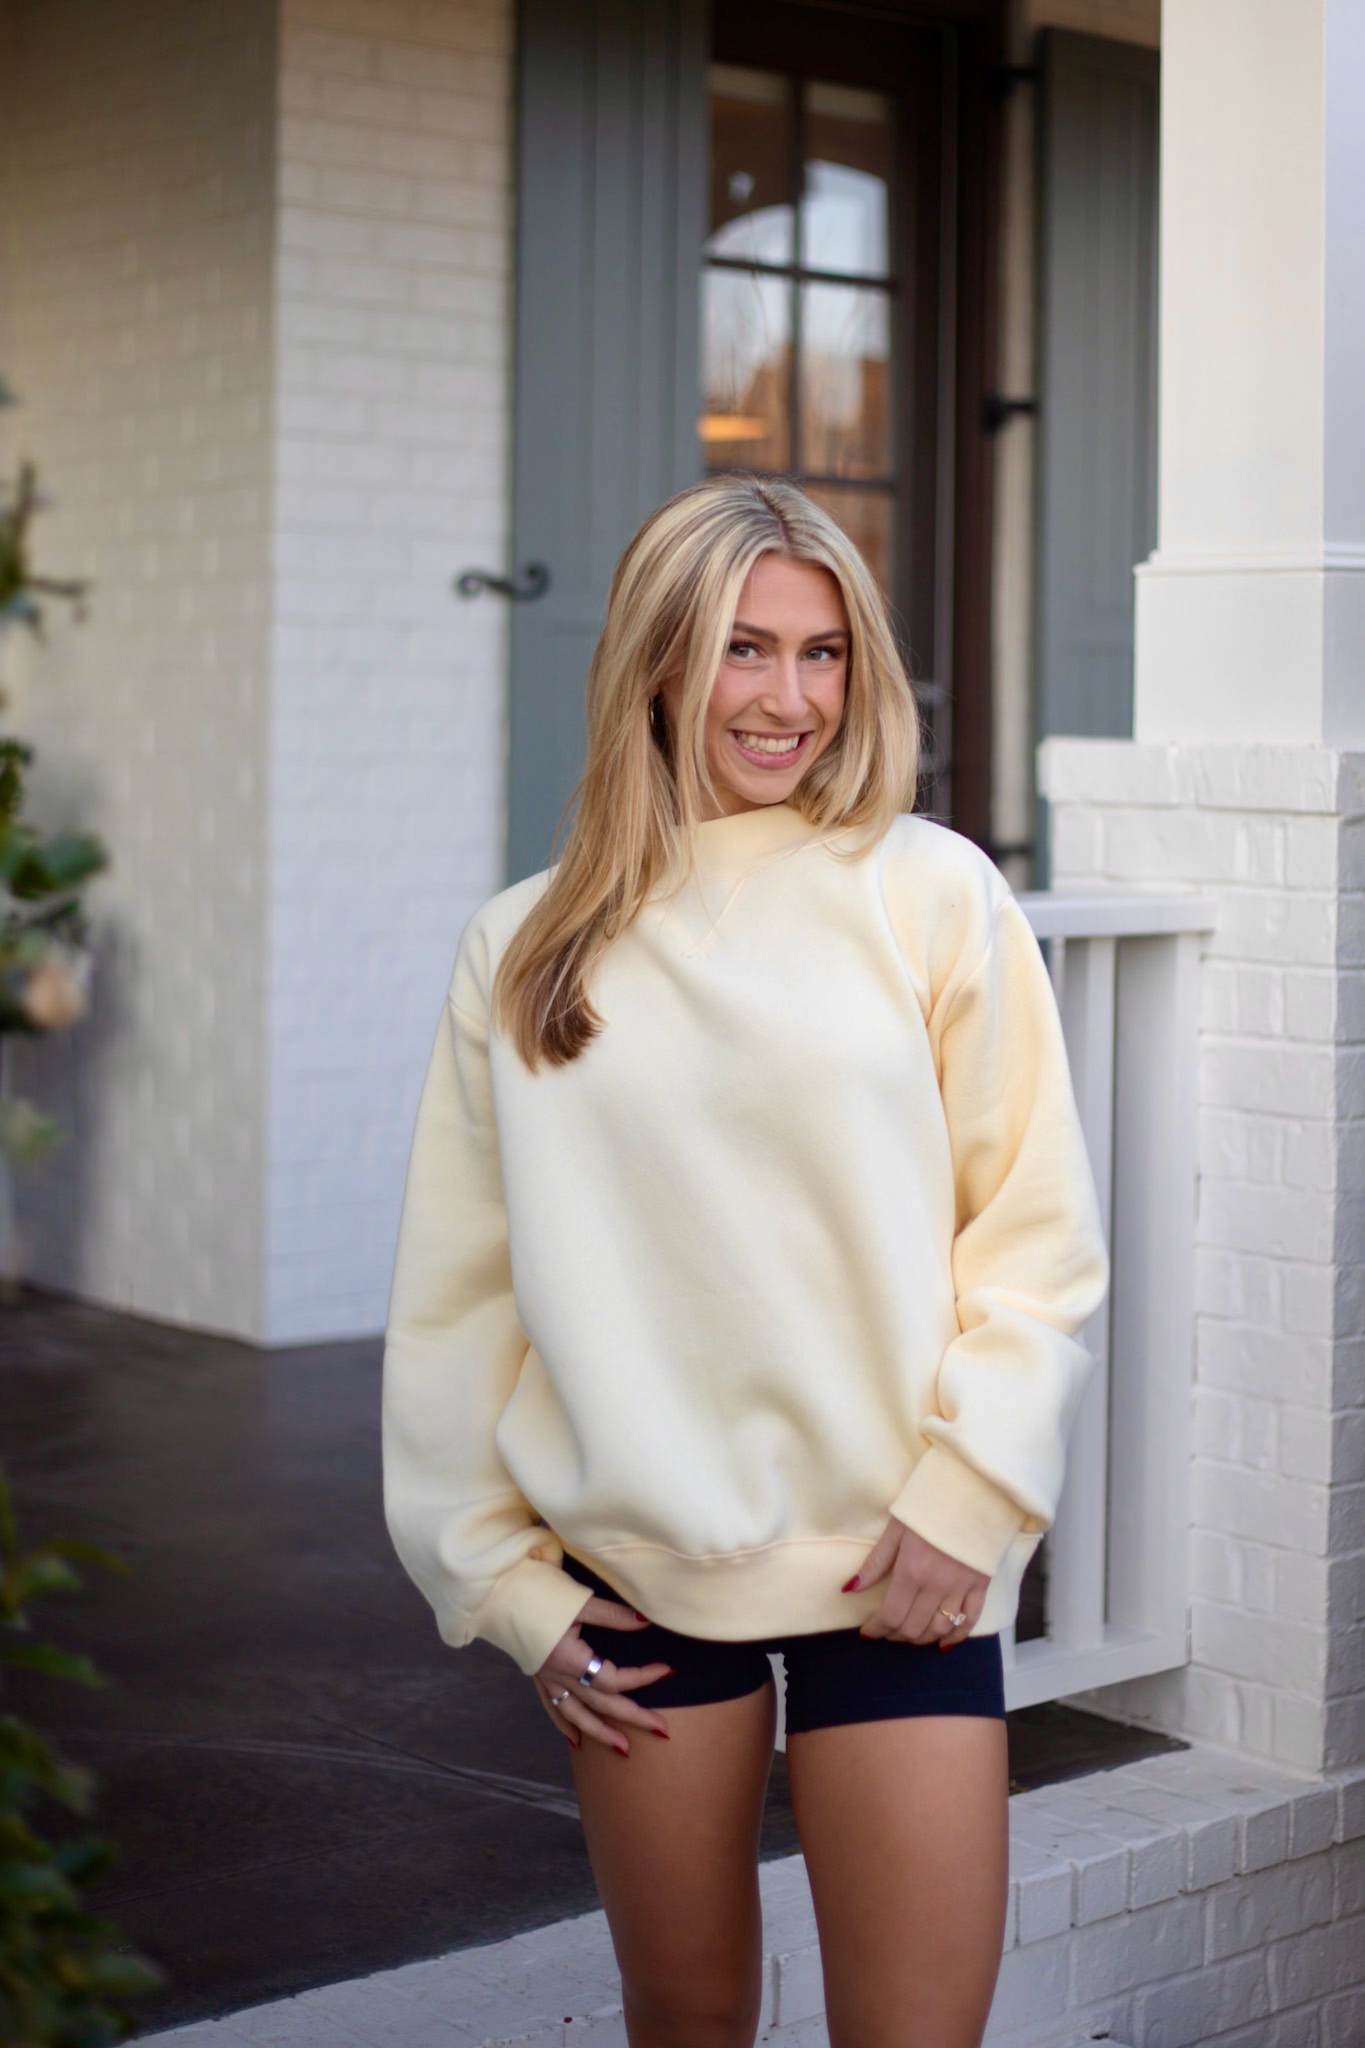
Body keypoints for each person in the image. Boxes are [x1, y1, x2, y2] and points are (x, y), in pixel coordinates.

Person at [382, 474, 1110, 2048]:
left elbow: (1033, 1229)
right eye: (744, 649)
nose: (790, 698)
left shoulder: (931, 893)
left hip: (899, 1569)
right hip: (636, 1583)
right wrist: (507, 1589)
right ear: (657, 661)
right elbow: (461, 1307)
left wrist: (970, 1492)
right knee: (687, 2023)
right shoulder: (524, 948)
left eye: (825, 652)